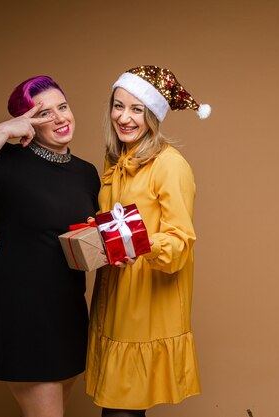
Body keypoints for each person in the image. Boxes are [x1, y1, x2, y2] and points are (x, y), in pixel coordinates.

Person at [0, 75, 100, 417]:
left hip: (69, 311)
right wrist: (3, 131)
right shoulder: (8, 161)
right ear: (26, 122)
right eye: (43, 114)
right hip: (23, 311)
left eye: (63, 107)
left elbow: (88, 238)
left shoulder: (86, 173)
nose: (59, 118)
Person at [85, 66, 211, 417]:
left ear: (153, 115)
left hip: (145, 304)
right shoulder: (117, 160)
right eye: (118, 106)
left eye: (137, 109)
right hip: (114, 297)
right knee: (119, 406)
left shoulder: (171, 166)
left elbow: (179, 242)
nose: (124, 117)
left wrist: (137, 242)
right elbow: (114, 220)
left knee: (122, 409)